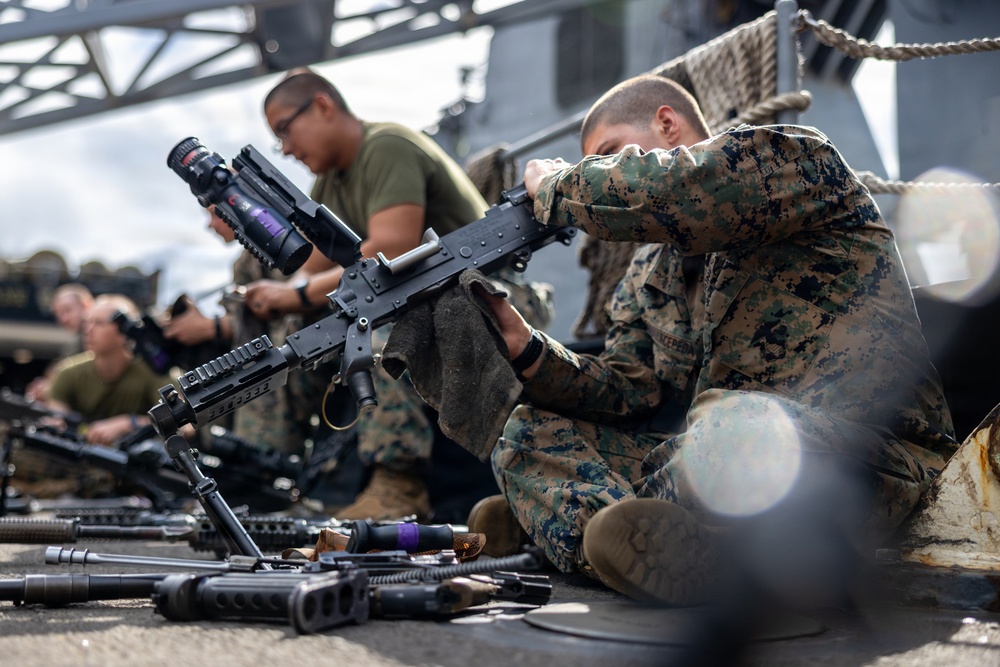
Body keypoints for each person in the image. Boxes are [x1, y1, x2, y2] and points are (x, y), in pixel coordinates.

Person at [469, 74, 957, 607]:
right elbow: (632, 390)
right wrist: (529, 349)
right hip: (725, 463)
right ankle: (617, 542)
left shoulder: (791, 161)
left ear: (667, 123)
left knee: (728, 423)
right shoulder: (646, 273)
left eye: (608, 156)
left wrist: (561, 185)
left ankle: (561, 529)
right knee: (522, 431)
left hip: (863, 456)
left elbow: (683, 189)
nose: (599, 175)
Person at [246, 68, 551, 521]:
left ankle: (398, 486)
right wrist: (274, 290)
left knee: (379, 332)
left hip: (489, 294)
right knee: (292, 337)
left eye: (285, 130)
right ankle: (265, 479)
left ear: (323, 105)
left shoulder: (386, 145)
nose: (287, 149)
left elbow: (393, 249)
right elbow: (306, 272)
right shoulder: (329, 184)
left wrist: (294, 295)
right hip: (421, 300)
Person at [162, 209, 307, 455]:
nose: (210, 225)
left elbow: (291, 315)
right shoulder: (246, 261)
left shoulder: (286, 244)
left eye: (216, 214)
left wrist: (213, 327)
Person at [46, 293, 175, 445]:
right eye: (87, 322)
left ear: (125, 331)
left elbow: (182, 425)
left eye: (99, 323)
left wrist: (128, 423)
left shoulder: (155, 371)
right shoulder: (68, 372)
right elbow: (56, 418)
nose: (88, 330)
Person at [25, 283, 95, 401]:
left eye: (67, 310)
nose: (63, 319)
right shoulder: (78, 341)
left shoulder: (94, 339)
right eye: (58, 314)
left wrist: (51, 388)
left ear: (86, 305)